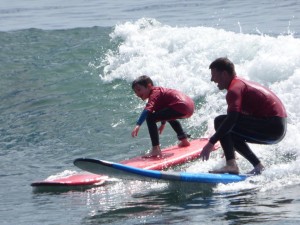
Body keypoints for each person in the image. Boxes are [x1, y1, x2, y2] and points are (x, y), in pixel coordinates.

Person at [199, 57, 287, 175]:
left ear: (224, 74)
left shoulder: (234, 89)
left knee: (220, 121)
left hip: (272, 125)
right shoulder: (238, 85)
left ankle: (231, 165)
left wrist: (211, 143)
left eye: (214, 75)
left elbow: (231, 119)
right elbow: (234, 122)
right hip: (277, 127)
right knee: (228, 128)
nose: (212, 79)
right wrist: (229, 144)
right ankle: (258, 166)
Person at [131, 75, 195, 157]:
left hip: (181, 106)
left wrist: (138, 124)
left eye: (139, 90)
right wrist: (163, 123)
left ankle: (156, 149)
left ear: (149, 86)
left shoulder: (154, 93)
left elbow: (147, 110)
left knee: (150, 117)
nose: (137, 94)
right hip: (189, 107)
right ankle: (184, 141)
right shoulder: (159, 92)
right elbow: (165, 111)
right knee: (170, 117)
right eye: (135, 92)